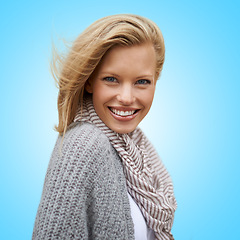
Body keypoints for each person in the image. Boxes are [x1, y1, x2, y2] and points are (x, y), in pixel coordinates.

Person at [32, 14, 177, 240]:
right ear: (89, 80)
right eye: (111, 79)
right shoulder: (84, 145)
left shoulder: (136, 145)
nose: (127, 98)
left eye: (142, 82)